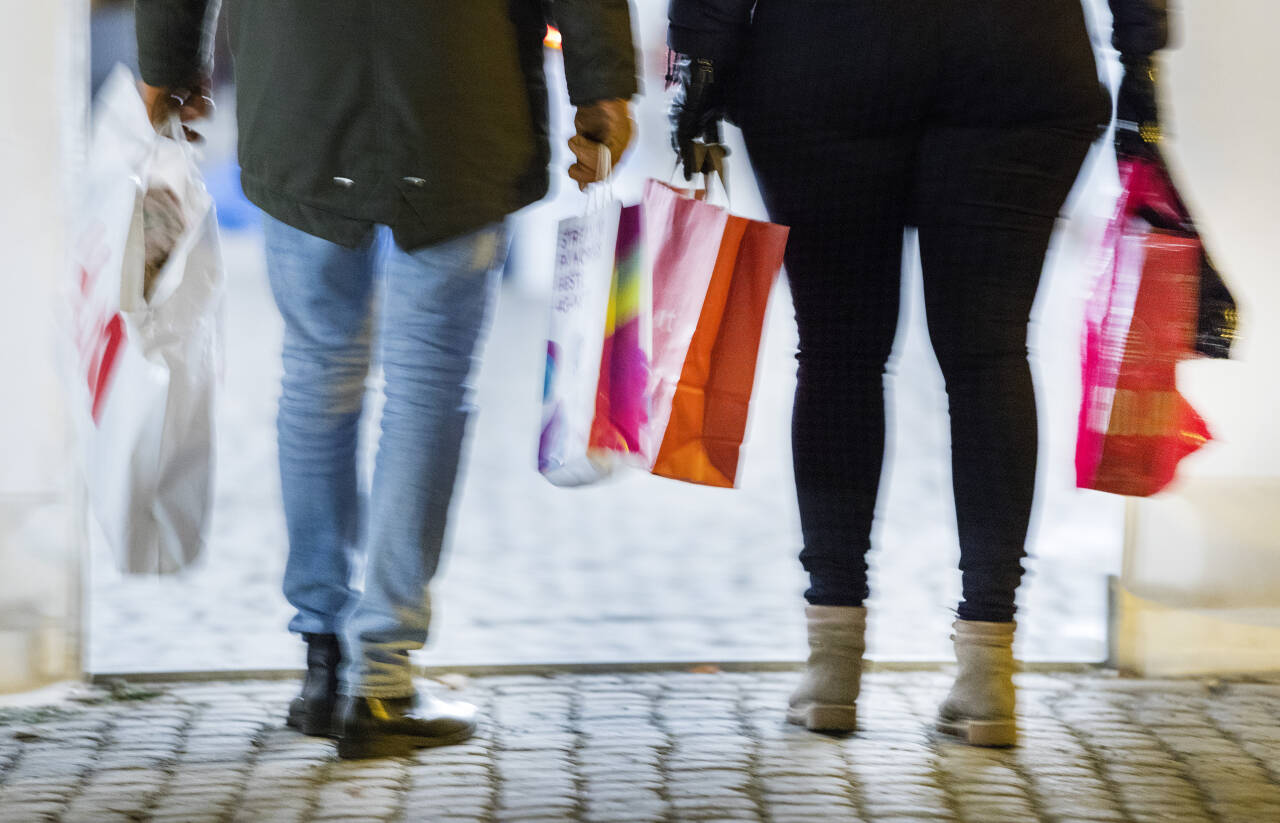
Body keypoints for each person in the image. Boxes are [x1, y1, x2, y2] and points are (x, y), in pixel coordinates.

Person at [135, 0, 638, 759]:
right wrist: (603, 86)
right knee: (429, 381)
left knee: (315, 370)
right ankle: (383, 673)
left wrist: (169, 65)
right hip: (461, 94)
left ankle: (324, 657)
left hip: (300, 92)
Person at [668, 0, 1167, 746]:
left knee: (838, 352)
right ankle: (987, 670)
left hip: (825, 56)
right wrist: (1141, 52)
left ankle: (833, 662)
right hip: (1019, 58)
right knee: (990, 352)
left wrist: (700, 63)